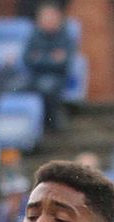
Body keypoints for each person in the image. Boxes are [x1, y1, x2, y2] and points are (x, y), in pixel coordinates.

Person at [21, 3, 74, 132]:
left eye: (51, 19)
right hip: (35, 76)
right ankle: (31, 127)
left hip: (57, 77)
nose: (48, 22)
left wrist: (40, 58)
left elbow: (64, 62)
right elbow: (27, 59)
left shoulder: (65, 36)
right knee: (17, 86)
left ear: (58, 20)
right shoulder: (34, 35)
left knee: (47, 86)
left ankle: (51, 122)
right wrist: (51, 58)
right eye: (45, 19)